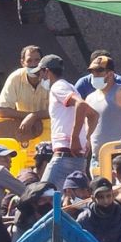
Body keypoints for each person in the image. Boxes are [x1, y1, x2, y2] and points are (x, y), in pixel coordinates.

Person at [39, 55, 97, 190]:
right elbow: (94, 115)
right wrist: (86, 139)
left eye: (40, 73)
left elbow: (81, 105)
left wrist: (76, 137)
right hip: (76, 158)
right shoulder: (70, 86)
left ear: (46, 71)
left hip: (64, 156)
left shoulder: (58, 87)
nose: (40, 77)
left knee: (41, 197)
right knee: (68, 204)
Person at [0, 45, 49, 140]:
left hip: (50, 134)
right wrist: (30, 118)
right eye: (29, 61)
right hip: (25, 134)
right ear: (22, 63)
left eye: (37, 60)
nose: (33, 64)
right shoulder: (15, 78)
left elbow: (58, 109)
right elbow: (0, 110)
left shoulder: (50, 78)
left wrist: (34, 116)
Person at [76, 177, 121, 242]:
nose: (106, 201)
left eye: (108, 196)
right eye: (100, 197)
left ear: (113, 195)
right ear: (93, 198)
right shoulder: (84, 219)